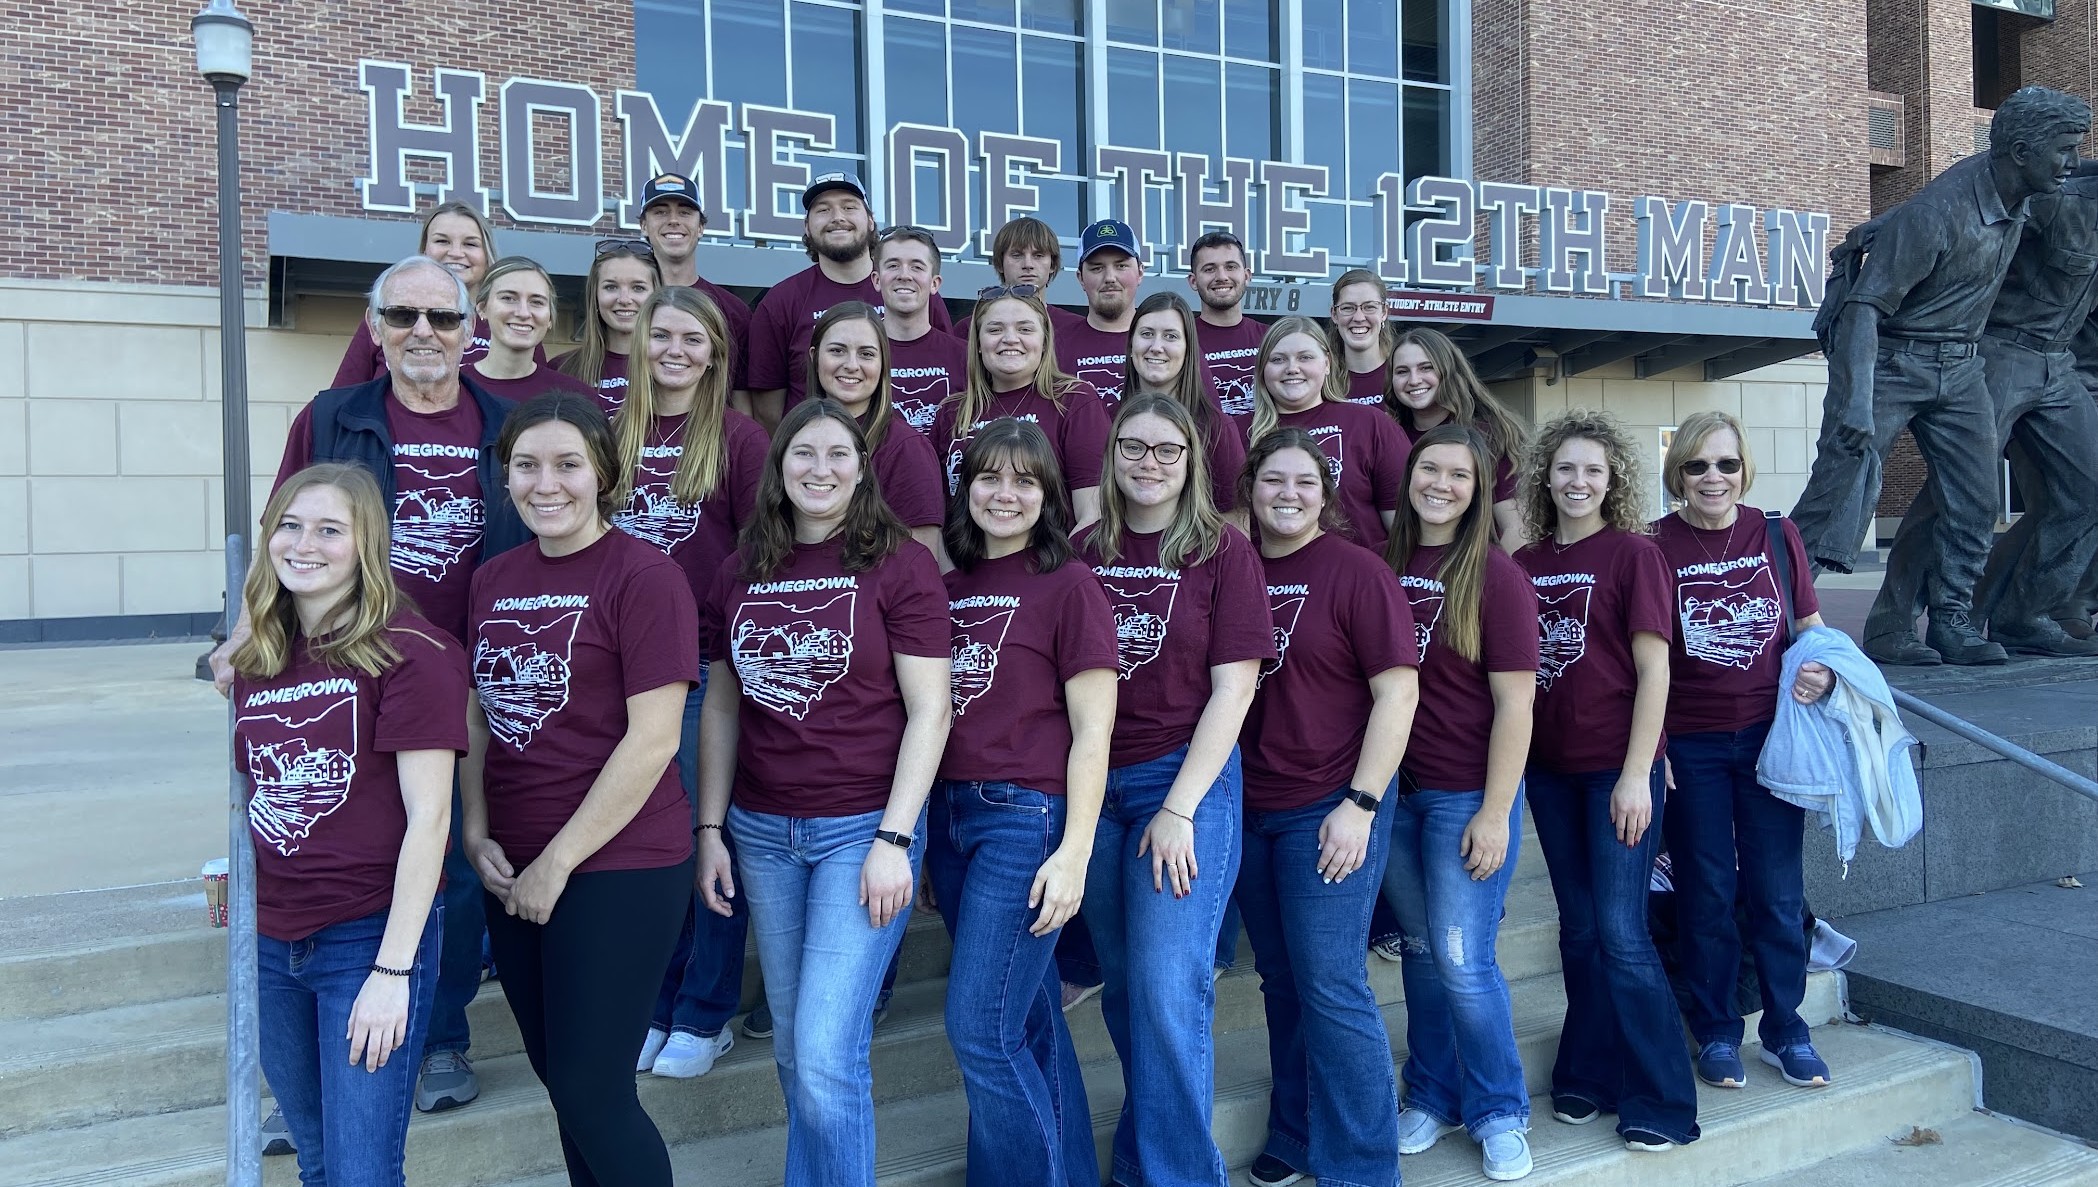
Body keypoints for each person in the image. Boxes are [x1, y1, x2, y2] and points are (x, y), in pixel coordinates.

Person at [227, 252, 531, 1116]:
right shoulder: (332, 418)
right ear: (376, 329)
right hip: (347, 665)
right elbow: (282, 533)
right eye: (403, 317)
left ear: (472, 333)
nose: (423, 334)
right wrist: (245, 637)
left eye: (442, 319)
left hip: (472, 668)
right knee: (346, 833)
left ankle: (438, 1035)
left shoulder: (508, 425)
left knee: (455, 856)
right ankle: (320, 1054)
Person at [693, 398, 952, 1185]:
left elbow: (931, 709)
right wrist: (710, 827)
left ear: (862, 468)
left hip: (862, 828)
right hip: (764, 832)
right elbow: (724, 703)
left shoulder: (898, 563)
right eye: (802, 453)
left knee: (827, 1048)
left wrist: (896, 839)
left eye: (838, 454)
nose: (819, 469)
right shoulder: (741, 568)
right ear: (778, 468)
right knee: (799, 1048)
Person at [461, 393, 697, 1187]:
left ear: (603, 471)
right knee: (567, 1088)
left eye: (567, 463)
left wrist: (556, 863)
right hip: (514, 862)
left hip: (617, 864)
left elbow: (655, 738)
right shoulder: (492, 578)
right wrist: (474, 827)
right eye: (526, 465)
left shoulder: (646, 574)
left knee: (595, 1092)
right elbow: (479, 711)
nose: (545, 483)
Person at [1791, 86, 2088, 664]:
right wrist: (1854, 400)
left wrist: (1883, 220)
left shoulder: (2017, 182)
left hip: (1963, 368)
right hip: (1895, 364)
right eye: (2065, 150)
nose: (2072, 163)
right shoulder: (1938, 216)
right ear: (2023, 151)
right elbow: (1863, 310)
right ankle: (1771, 615)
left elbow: (2071, 174)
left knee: (1974, 501)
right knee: (1837, 496)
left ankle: (1949, 623)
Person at [231, 463, 466, 1187]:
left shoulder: (413, 652)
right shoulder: (257, 658)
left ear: (367, 544)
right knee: (320, 1161)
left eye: (330, 529)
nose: (306, 544)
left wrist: (392, 971)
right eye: (291, 526)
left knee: (363, 1174)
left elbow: (431, 820)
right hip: (272, 941)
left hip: (367, 936)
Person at [1075, 393, 1273, 1187]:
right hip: (1093, 786)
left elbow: (1236, 689)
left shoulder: (1222, 551)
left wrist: (1179, 808)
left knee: (1167, 982)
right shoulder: (1083, 548)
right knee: (1126, 987)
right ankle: (1143, 1155)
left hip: (1181, 780)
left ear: (1192, 460)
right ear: (1111, 453)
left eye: (1166, 449)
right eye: (1133, 446)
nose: (1148, 462)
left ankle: (1182, 1174)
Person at [930, 417, 1116, 1187]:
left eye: (1025, 480)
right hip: (951, 819)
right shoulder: (943, 590)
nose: (1005, 493)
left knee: (980, 1027)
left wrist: (1074, 850)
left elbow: (1094, 729)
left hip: (1025, 820)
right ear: (964, 487)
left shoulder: (1069, 583)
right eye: (989, 477)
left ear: (1047, 496)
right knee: (1026, 1020)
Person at [1234, 427, 1418, 1187]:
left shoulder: (1356, 572)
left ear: (1326, 492)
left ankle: (1364, 1164)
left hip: (1332, 801)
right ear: (1249, 488)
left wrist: (1361, 802)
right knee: (1281, 977)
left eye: (1304, 483)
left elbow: (1397, 691)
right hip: (1248, 806)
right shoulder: (1229, 567)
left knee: (1331, 980)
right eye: (1273, 480)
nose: (1288, 495)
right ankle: (1298, 1128)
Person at [1513, 411, 1701, 1153]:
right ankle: (1586, 1068)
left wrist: (1637, 773)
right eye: (1565, 468)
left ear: (1613, 478)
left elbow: (1656, 670)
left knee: (1623, 932)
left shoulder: (1634, 554)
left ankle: (1661, 1096)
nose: (1578, 481)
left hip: (1618, 773)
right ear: (1545, 479)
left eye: (1592, 469)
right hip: (1551, 775)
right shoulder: (1523, 562)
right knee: (1581, 928)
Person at [607, 285, 769, 1080]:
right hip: (616, 676)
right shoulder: (611, 435)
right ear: (639, 343)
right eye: (660, 334)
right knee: (649, 849)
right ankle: (658, 1000)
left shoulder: (740, 439)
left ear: (714, 353)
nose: (675, 349)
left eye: (692, 338)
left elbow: (759, 557)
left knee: (709, 841)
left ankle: (706, 1009)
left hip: (705, 668)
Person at [1652, 411, 1836, 1093]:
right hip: (1691, 745)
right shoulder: (1654, 544)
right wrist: (1655, 744)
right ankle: (1719, 1031)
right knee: (1705, 893)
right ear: (1680, 474)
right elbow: (1644, 657)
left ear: (1743, 469)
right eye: (1698, 465)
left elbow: (1811, 631)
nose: (1713, 477)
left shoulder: (1777, 534)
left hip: (1771, 741)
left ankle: (1788, 1029)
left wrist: (1824, 672)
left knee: (1778, 893)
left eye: (1726, 464)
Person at [1381, 423, 1541, 1182]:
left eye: (1459, 475)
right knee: (1419, 955)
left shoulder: (1495, 575)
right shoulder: (1382, 562)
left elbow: (1516, 705)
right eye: (1430, 469)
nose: (1441, 484)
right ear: (1410, 475)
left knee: (1463, 959)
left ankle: (1501, 1107)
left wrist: (1494, 810)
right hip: (1394, 796)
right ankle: (1434, 1092)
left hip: (1463, 796)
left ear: (1480, 490)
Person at [748, 172, 952, 428]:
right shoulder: (781, 301)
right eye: (823, 210)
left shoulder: (909, 290)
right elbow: (768, 409)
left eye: (849, 207)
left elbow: (947, 362)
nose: (837, 218)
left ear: (869, 221)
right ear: (807, 227)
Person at [932, 286, 1111, 526]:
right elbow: (938, 517)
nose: (1010, 339)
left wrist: (1065, 565)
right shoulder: (952, 412)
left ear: (1045, 341)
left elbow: (1093, 516)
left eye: (1025, 329)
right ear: (977, 342)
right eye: (995, 329)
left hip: (1051, 560)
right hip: (966, 560)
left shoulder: (1075, 402)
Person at [1246, 316, 1408, 554]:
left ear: (1327, 363)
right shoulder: (1238, 432)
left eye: (1305, 357)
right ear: (1262, 369)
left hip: (1356, 580)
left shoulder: (1370, 423)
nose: (1292, 368)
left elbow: (1402, 524)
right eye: (1278, 359)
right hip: (1265, 581)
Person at [332, 202, 539, 385]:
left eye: (470, 243)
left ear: (487, 254)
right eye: (442, 241)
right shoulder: (390, 316)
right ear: (424, 251)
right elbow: (342, 394)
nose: (456, 253)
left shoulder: (515, 323)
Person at [808, 301, 947, 558]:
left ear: (884, 364)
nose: (851, 365)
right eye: (837, 351)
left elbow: (923, 560)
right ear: (814, 356)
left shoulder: (906, 447)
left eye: (866, 354)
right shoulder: (794, 438)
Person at [1385, 327, 1531, 551]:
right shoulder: (1389, 435)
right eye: (1402, 371)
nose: (1414, 380)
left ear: (1448, 370)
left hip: (1473, 568)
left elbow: (1516, 528)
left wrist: (1493, 580)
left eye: (1426, 368)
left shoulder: (1490, 433)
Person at [635, 172, 753, 410]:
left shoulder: (733, 310)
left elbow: (740, 395)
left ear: (700, 227)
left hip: (710, 441)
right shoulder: (628, 304)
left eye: (685, 212)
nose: (673, 220)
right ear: (644, 226)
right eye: (660, 212)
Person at [1122, 292, 1246, 512]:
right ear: (1131, 345)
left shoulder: (1216, 428)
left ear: (1189, 349)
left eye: (1170, 336)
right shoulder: (1108, 420)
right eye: (1147, 334)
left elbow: (1236, 517)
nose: (1156, 346)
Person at [876, 225, 970, 433]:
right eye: (893, 265)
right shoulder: (857, 354)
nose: (904, 275)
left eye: (917, 267)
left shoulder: (965, 356)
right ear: (876, 279)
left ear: (935, 283)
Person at [553, 241, 661, 417]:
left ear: (657, 294)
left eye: (638, 288)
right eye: (611, 287)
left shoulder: (674, 366)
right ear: (595, 295)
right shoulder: (562, 368)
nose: (625, 299)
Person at [467, 258, 596, 403]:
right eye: (508, 298)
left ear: (550, 319)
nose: (523, 313)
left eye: (536, 302)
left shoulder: (576, 397)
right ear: (482, 309)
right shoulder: (451, 388)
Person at [1056, 219, 1145, 411]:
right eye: (1097, 268)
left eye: (1121, 266)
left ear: (1140, 271)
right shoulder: (1056, 347)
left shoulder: (1167, 341)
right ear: (1080, 278)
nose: (1110, 278)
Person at [954, 215, 1087, 342]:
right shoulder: (969, 329)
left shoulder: (1076, 328)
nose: (1028, 265)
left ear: (1052, 264)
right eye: (1017, 255)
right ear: (1000, 263)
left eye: (1038, 255)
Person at [1187, 231, 1268, 426]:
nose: (1221, 276)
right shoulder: (1181, 341)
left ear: (1247, 275)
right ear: (1193, 281)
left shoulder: (1271, 338)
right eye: (1209, 269)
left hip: (1267, 453)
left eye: (1230, 267)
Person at [1326, 268, 1391, 404]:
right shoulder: (1321, 379)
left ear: (1384, 312)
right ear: (1334, 314)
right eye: (1348, 308)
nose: (1359, 317)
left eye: (1369, 307)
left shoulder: (1404, 374)